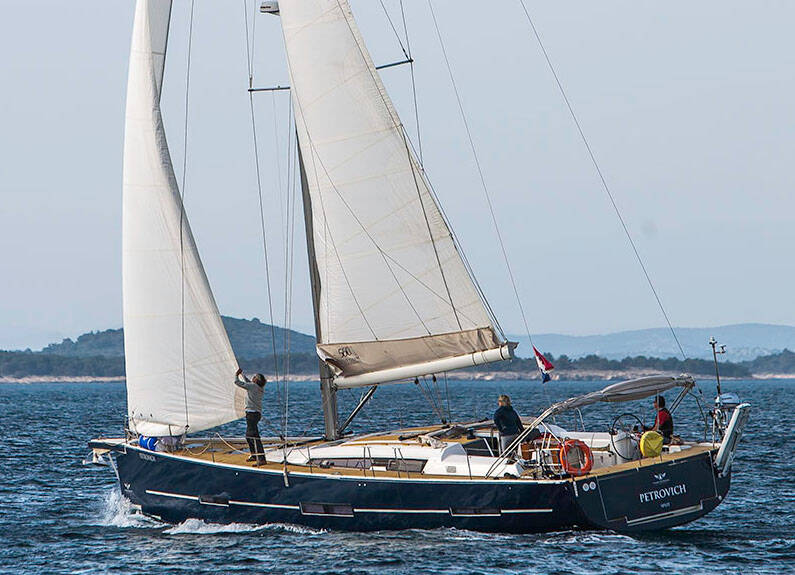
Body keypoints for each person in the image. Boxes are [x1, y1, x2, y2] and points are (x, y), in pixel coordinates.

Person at [234, 368, 267, 466]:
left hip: (252, 414)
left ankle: (261, 458)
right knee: (249, 436)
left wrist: (237, 375)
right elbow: (248, 382)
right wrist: (242, 375)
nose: (253, 377)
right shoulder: (259, 387)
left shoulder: (252, 386)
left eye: (255, 377)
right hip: (255, 414)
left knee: (253, 436)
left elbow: (237, 382)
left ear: (256, 380)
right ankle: (254, 455)